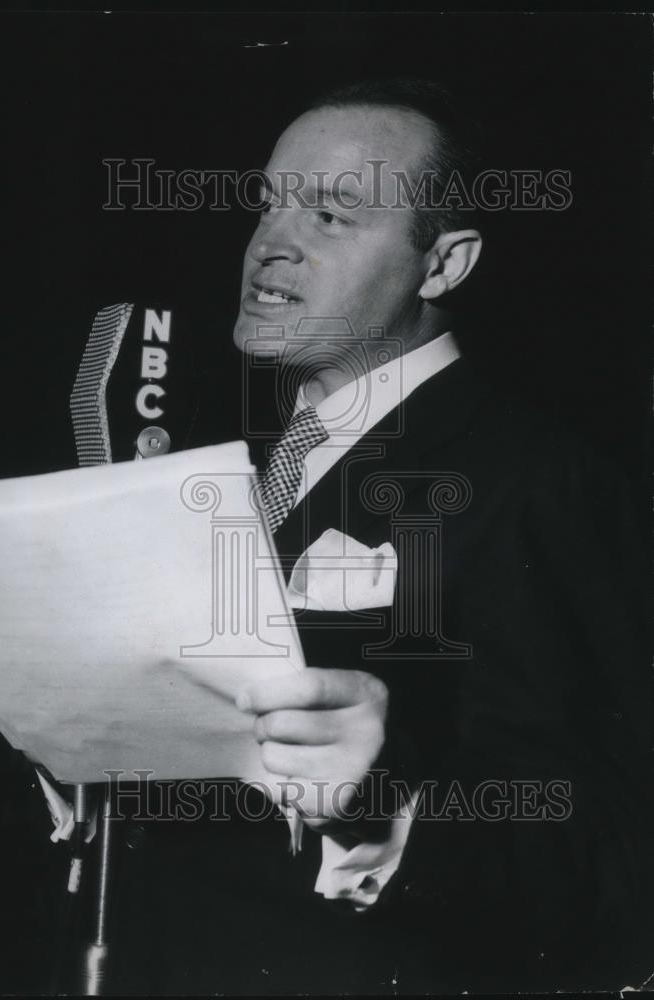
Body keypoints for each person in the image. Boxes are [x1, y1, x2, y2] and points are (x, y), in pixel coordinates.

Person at [223, 78, 654, 992]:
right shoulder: (221, 464)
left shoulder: (540, 480)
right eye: (268, 204)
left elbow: (610, 847)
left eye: (330, 216)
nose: (271, 244)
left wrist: (386, 818)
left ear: (444, 265)